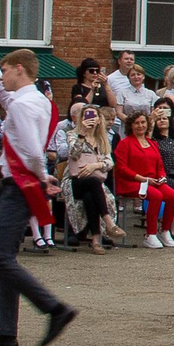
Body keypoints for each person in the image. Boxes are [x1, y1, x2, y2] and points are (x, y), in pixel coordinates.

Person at [0, 48, 78, 346]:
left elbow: (31, 150)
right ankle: (6, 334)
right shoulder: (36, 99)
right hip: (24, 183)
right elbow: (8, 98)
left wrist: (42, 176)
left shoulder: (24, 106)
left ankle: (53, 308)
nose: (3, 77)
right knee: (4, 259)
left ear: (18, 69)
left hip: (21, 184)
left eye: (5, 70)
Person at [56, 101, 120, 250]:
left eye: (94, 116)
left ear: (99, 119)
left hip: (93, 182)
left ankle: (96, 239)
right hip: (74, 180)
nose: (90, 119)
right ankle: (108, 223)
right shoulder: (72, 135)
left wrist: (95, 165)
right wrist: (82, 134)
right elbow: (73, 153)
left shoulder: (102, 139)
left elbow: (110, 163)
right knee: (94, 183)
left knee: (91, 194)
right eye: (87, 116)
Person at [112, 111, 174, 249]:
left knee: (172, 195)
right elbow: (122, 168)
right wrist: (143, 179)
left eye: (143, 122)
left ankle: (165, 230)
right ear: (131, 125)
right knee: (156, 196)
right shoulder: (125, 143)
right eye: (137, 123)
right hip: (131, 182)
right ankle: (150, 234)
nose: (140, 125)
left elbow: (159, 165)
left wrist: (162, 177)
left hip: (153, 181)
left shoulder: (152, 143)